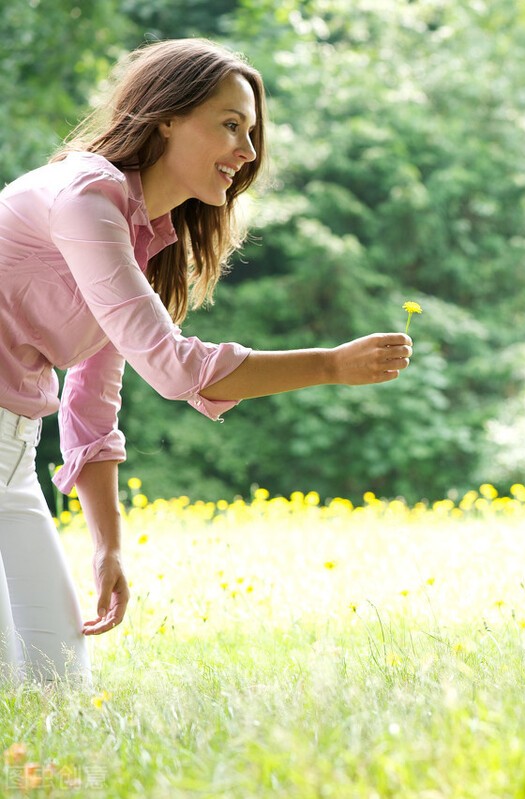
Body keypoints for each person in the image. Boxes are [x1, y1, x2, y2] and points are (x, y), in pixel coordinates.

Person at [0, 39, 413, 683]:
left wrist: (106, 546)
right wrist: (329, 366)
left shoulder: (135, 239)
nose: (246, 153)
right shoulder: (86, 197)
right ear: (166, 115)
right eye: (229, 126)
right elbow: (171, 367)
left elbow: (89, 405)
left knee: (56, 685)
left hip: (13, 458)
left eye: (250, 132)